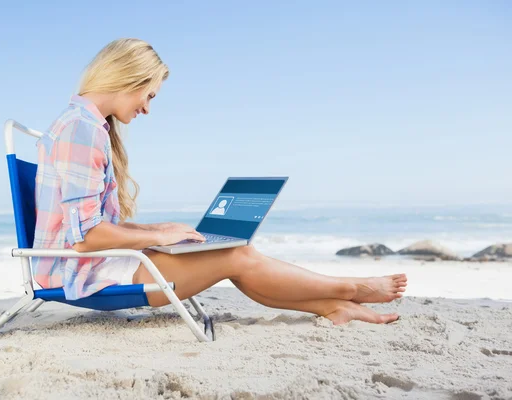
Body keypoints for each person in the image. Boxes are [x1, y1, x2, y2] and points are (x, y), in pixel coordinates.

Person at [32, 38, 407, 326]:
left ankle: (333, 305)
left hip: (99, 263)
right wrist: (156, 237)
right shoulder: (81, 130)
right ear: (129, 77)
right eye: (149, 94)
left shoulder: (85, 125)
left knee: (237, 253)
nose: (147, 107)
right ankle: (350, 289)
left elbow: (90, 226)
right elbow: (85, 238)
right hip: (82, 273)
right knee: (236, 255)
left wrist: (158, 229)